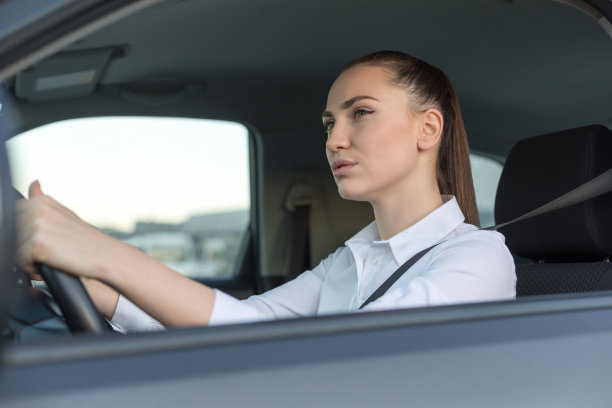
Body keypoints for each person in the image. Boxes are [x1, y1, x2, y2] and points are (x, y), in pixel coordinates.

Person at [17, 50, 516, 331]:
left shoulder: (478, 258)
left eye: (360, 112)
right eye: (329, 123)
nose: (334, 139)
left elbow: (341, 353)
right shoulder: (350, 260)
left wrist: (103, 252)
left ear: (427, 130)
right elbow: (247, 323)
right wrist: (92, 287)